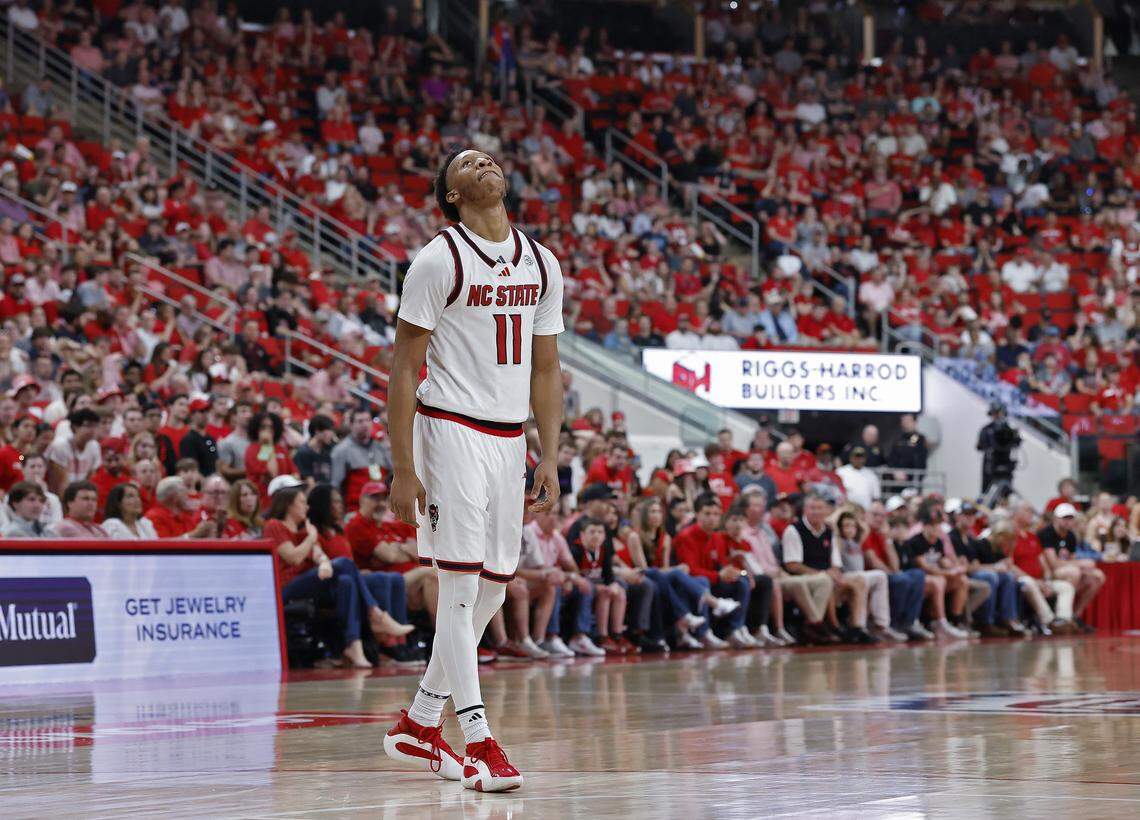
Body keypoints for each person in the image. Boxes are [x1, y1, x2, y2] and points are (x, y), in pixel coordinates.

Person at [383, 148, 565, 793]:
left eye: (488, 158)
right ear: (451, 195)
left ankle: (419, 721)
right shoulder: (438, 259)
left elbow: (546, 368)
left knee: (492, 590)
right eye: (467, 164)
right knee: (459, 591)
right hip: (451, 429)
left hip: (510, 437)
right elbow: (404, 367)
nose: (483, 162)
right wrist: (404, 467)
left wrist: (550, 452)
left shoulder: (542, 262)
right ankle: (480, 738)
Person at [266, 485, 374, 669]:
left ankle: (352, 645)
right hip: (286, 587)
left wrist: (324, 562)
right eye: (301, 502)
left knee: (346, 582)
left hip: (310, 585)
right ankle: (375, 612)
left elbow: (319, 555)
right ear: (288, 505)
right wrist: (311, 538)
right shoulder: (274, 526)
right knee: (344, 564)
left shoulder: (305, 530)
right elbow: (294, 557)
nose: (307, 507)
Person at [306, 483, 417, 661]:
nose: (340, 505)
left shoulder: (339, 530)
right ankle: (384, 637)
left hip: (354, 577)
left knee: (394, 578)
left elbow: (413, 553)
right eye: (334, 501)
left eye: (339, 500)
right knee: (383, 578)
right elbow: (389, 556)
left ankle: (400, 642)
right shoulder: (316, 531)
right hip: (329, 582)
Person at [345, 481, 441, 622]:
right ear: (362, 500)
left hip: (407, 578)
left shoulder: (387, 526)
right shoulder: (357, 525)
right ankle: (441, 635)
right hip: (386, 580)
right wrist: (403, 548)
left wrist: (399, 549)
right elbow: (390, 556)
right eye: (374, 498)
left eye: (383, 499)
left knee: (440, 575)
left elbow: (419, 553)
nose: (381, 504)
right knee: (432, 574)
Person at [672, 494, 752, 648]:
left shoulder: (716, 537)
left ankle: (735, 629)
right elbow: (690, 570)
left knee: (742, 580)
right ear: (697, 515)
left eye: (716, 514)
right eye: (707, 514)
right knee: (702, 581)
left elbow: (720, 563)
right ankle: (704, 633)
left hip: (713, 579)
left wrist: (732, 572)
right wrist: (718, 575)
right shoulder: (686, 537)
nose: (712, 518)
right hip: (692, 582)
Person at [948, 501, 1028, 637]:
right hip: (960, 576)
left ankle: (1007, 618)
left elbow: (974, 565)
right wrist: (993, 568)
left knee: (1007, 576)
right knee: (991, 576)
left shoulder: (971, 539)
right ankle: (985, 621)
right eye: (966, 515)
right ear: (957, 517)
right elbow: (967, 567)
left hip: (971, 573)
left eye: (972, 515)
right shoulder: (952, 538)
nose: (970, 518)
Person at [860, 501, 932, 641]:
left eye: (882, 516)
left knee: (918, 574)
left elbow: (895, 565)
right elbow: (872, 561)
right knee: (901, 580)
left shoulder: (882, 534)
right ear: (866, 515)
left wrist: (887, 540)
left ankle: (909, 622)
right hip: (872, 573)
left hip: (886, 573)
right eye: (875, 515)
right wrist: (893, 573)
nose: (879, 519)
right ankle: (893, 623)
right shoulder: (865, 532)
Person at [897, 507, 971, 639]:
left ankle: (956, 620)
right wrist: (948, 573)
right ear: (925, 526)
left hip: (934, 576)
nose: (937, 528)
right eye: (933, 525)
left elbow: (943, 561)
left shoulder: (938, 542)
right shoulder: (915, 541)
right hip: (917, 579)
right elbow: (925, 567)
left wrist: (957, 568)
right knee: (939, 581)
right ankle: (940, 623)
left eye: (938, 525)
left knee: (962, 580)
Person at [1039, 503, 1105, 630]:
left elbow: (1071, 559)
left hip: (1067, 569)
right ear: (1056, 518)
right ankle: (1061, 614)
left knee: (1097, 577)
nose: (1068, 522)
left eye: (1070, 518)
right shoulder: (1046, 533)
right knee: (1074, 572)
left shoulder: (1071, 536)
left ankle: (1075, 614)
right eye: (1064, 518)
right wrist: (1081, 563)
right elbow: (1054, 564)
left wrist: (1084, 567)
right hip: (1048, 572)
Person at [330, 408, 391, 509]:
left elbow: (392, 475)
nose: (365, 424)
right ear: (351, 425)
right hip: (356, 508)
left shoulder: (381, 447)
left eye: (368, 420)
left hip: (383, 506)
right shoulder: (341, 450)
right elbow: (336, 485)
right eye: (360, 421)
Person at [45, 408, 101, 493]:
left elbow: (90, 478)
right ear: (74, 427)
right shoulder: (60, 447)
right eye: (88, 425)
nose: (93, 430)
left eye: (95, 426)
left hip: (79, 494)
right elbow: (59, 483)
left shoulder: (94, 446)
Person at [244, 411, 296, 502]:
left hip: (283, 500)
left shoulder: (280, 449)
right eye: (263, 427)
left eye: (271, 427)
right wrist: (268, 445)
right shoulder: (252, 449)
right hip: (262, 500)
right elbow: (272, 473)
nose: (268, 430)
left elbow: (295, 474)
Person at [145, 476, 216, 538]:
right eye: (183, 490)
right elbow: (162, 546)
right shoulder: (155, 517)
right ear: (173, 495)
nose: (187, 494)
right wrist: (195, 534)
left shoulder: (185, 517)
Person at [178, 397, 218, 477]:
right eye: (201, 411)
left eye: (207, 411)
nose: (205, 415)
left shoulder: (210, 439)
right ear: (192, 415)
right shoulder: (188, 440)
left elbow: (215, 461)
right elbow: (189, 468)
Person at [294, 414, 337, 486]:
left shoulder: (331, 449)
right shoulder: (304, 452)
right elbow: (308, 479)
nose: (332, 434)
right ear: (317, 431)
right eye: (329, 430)